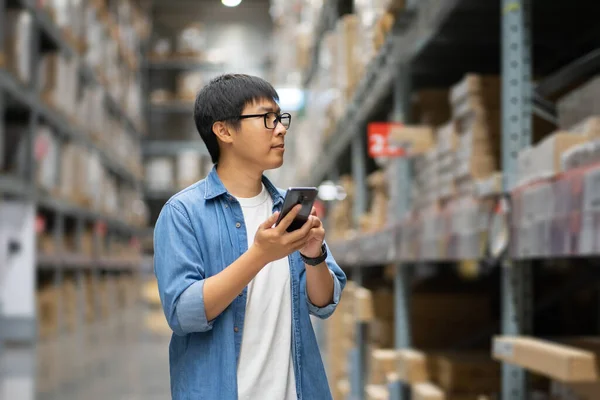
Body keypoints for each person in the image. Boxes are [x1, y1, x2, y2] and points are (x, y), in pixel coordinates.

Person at [153, 74, 347, 400]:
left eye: (281, 118)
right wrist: (260, 254)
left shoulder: (288, 207)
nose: (282, 128)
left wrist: (314, 256)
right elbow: (183, 314)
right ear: (224, 130)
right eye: (267, 119)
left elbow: (324, 303)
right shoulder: (183, 213)